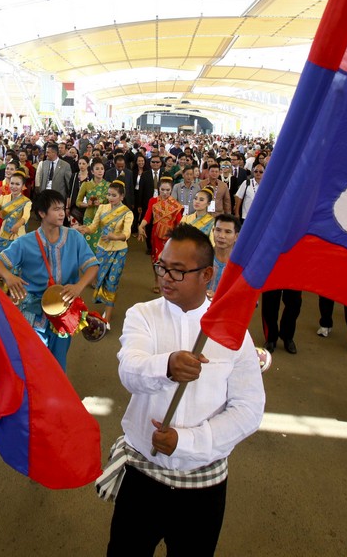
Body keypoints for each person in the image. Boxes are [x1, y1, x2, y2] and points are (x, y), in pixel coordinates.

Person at [105, 225, 265, 556]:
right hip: (143, 474)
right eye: (162, 266)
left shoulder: (231, 333)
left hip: (203, 486)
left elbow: (249, 409)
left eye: (177, 271)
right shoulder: (143, 315)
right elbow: (130, 370)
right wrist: (166, 366)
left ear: (207, 274)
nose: (165, 277)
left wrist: (186, 442)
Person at [0, 190, 98, 371]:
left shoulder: (75, 237)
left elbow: (92, 266)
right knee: (33, 358)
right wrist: (9, 276)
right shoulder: (25, 242)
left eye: (62, 208)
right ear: (41, 213)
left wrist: (79, 287)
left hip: (65, 309)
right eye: (56, 209)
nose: (62, 213)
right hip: (33, 310)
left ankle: (56, 395)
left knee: (58, 360)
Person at [77, 180, 133, 326]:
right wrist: (84, 229)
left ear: (122, 196)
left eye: (114, 195)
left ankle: (107, 316)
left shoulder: (127, 213)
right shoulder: (102, 208)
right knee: (95, 277)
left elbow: (126, 233)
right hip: (102, 249)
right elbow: (93, 227)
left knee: (112, 281)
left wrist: (114, 236)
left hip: (118, 251)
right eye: (108, 194)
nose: (110, 198)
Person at [137, 178, 182, 292]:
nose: (165, 193)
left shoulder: (175, 205)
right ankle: (157, 280)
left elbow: (179, 222)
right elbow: (147, 216)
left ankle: (166, 281)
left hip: (170, 236)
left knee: (168, 261)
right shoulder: (153, 201)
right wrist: (141, 226)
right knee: (155, 259)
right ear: (158, 189)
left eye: (168, 190)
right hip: (155, 234)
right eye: (162, 189)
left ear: (171, 190)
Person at [76, 158, 109, 250]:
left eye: (102, 169)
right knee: (88, 245)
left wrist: (101, 205)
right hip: (89, 217)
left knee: (102, 245)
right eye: (97, 169)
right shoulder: (86, 185)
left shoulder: (109, 186)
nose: (100, 171)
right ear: (92, 171)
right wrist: (87, 204)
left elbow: (113, 205)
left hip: (103, 218)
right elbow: (78, 202)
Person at [34, 143, 73, 212]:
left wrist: (68, 197)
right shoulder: (44, 164)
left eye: (48, 152)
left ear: (54, 153)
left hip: (58, 196)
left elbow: (68, 184)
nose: (46, 154)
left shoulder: (65, 165)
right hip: (45, 195)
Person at [208, 214, 240, 297]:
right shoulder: (202, 257)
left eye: (228, 232)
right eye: (218, 230)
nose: (221, 236)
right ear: (213, 231)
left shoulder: (241, 265)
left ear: (236, 236)